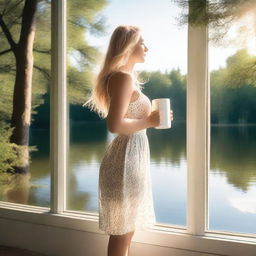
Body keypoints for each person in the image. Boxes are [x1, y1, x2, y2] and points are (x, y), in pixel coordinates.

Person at [83, 25, 173, 256]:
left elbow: (130, 121)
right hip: (125, 161)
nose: (147, 47)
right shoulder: (122, 78)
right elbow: (115, 126)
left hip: (131, 156)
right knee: (123, 231)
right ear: (129, 46)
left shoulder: (125, 78)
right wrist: (150, 122)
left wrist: (153, 120)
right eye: (142, 42)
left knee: (126, 230)